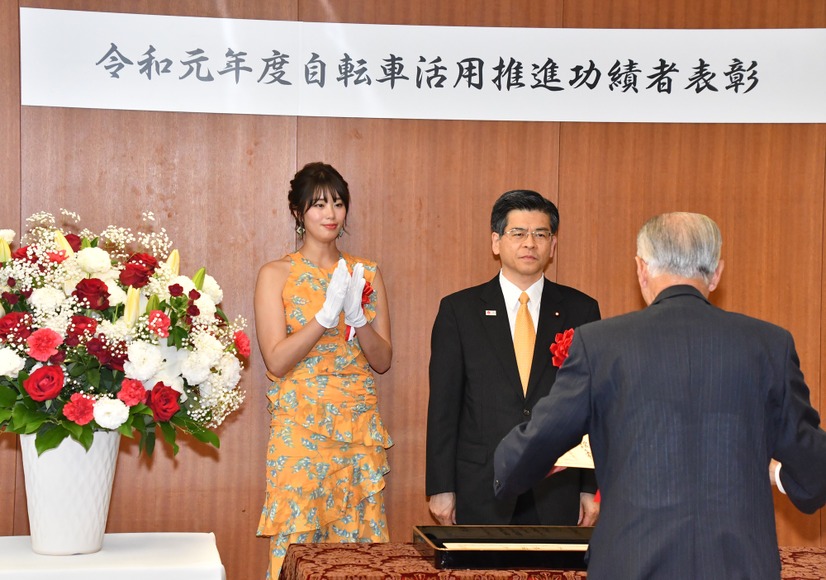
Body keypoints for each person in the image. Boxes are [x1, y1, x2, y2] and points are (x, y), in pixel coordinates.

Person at [494, 212, 826, 579]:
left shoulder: (600, 345)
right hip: (739, 567)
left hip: (632, 565)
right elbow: (815, 470)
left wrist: (512, 469)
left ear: (641, 269)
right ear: (716, 272)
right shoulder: (769, 345)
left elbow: (533, 446)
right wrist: (778, 473)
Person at [426, 189, 601, 527]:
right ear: (496, 242)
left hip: (558, 484)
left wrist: (588, 486)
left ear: (553, 245)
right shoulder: (459, 311)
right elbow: (444, 407)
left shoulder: (581, 310)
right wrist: (441, 486)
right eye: (518, 233)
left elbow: (591, 405)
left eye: (541, 234)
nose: (529, 243)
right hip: (480, 482)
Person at [254, 162, 393, 579]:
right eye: (318, 204)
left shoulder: (366, 273)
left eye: (337, 203)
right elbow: (276, 361)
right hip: (300, 425)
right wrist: (325, 317)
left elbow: (383, 360)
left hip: (356, 424)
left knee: (358, 550)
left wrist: (358, 317)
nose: (330, 214)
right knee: (299, 541)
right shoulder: (275, 274)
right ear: (298, 212)